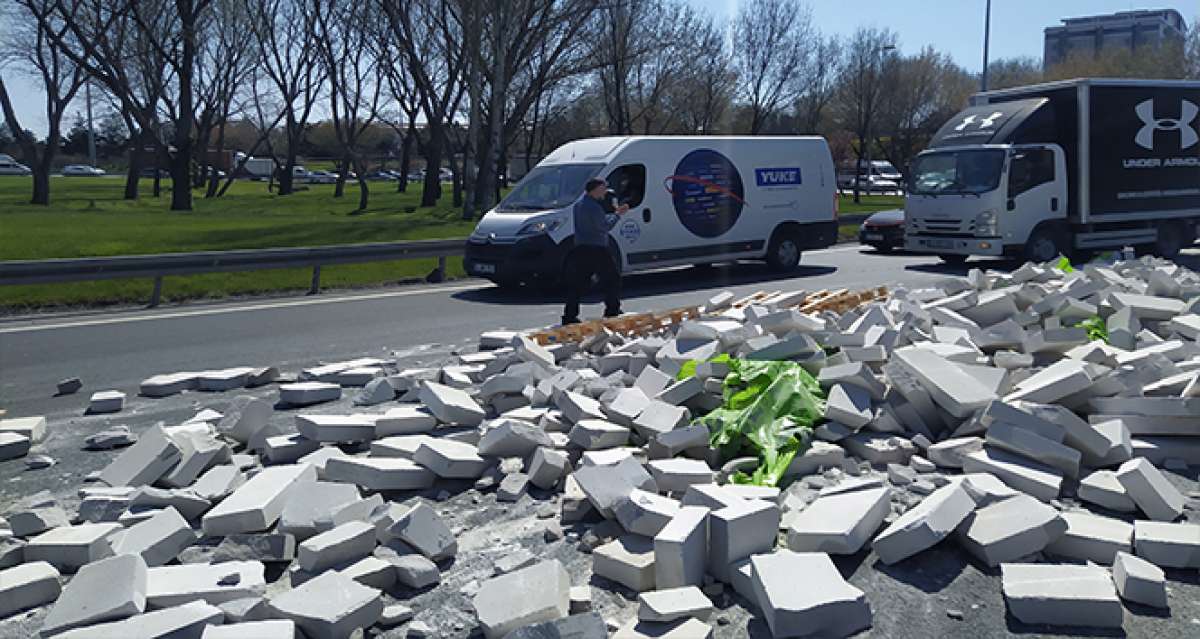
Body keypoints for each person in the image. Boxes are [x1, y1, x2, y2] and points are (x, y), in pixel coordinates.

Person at [562, 178, 628, 325]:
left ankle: (569, 315)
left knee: (578, 283)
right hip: (597, 248)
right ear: (596, 189)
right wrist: (617, 215)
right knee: (613, 278)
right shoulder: (593, 207)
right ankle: (612, 310)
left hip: (581, 247)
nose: (606, 191)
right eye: (603, 188)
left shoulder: (579, 205)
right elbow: (604, 226)